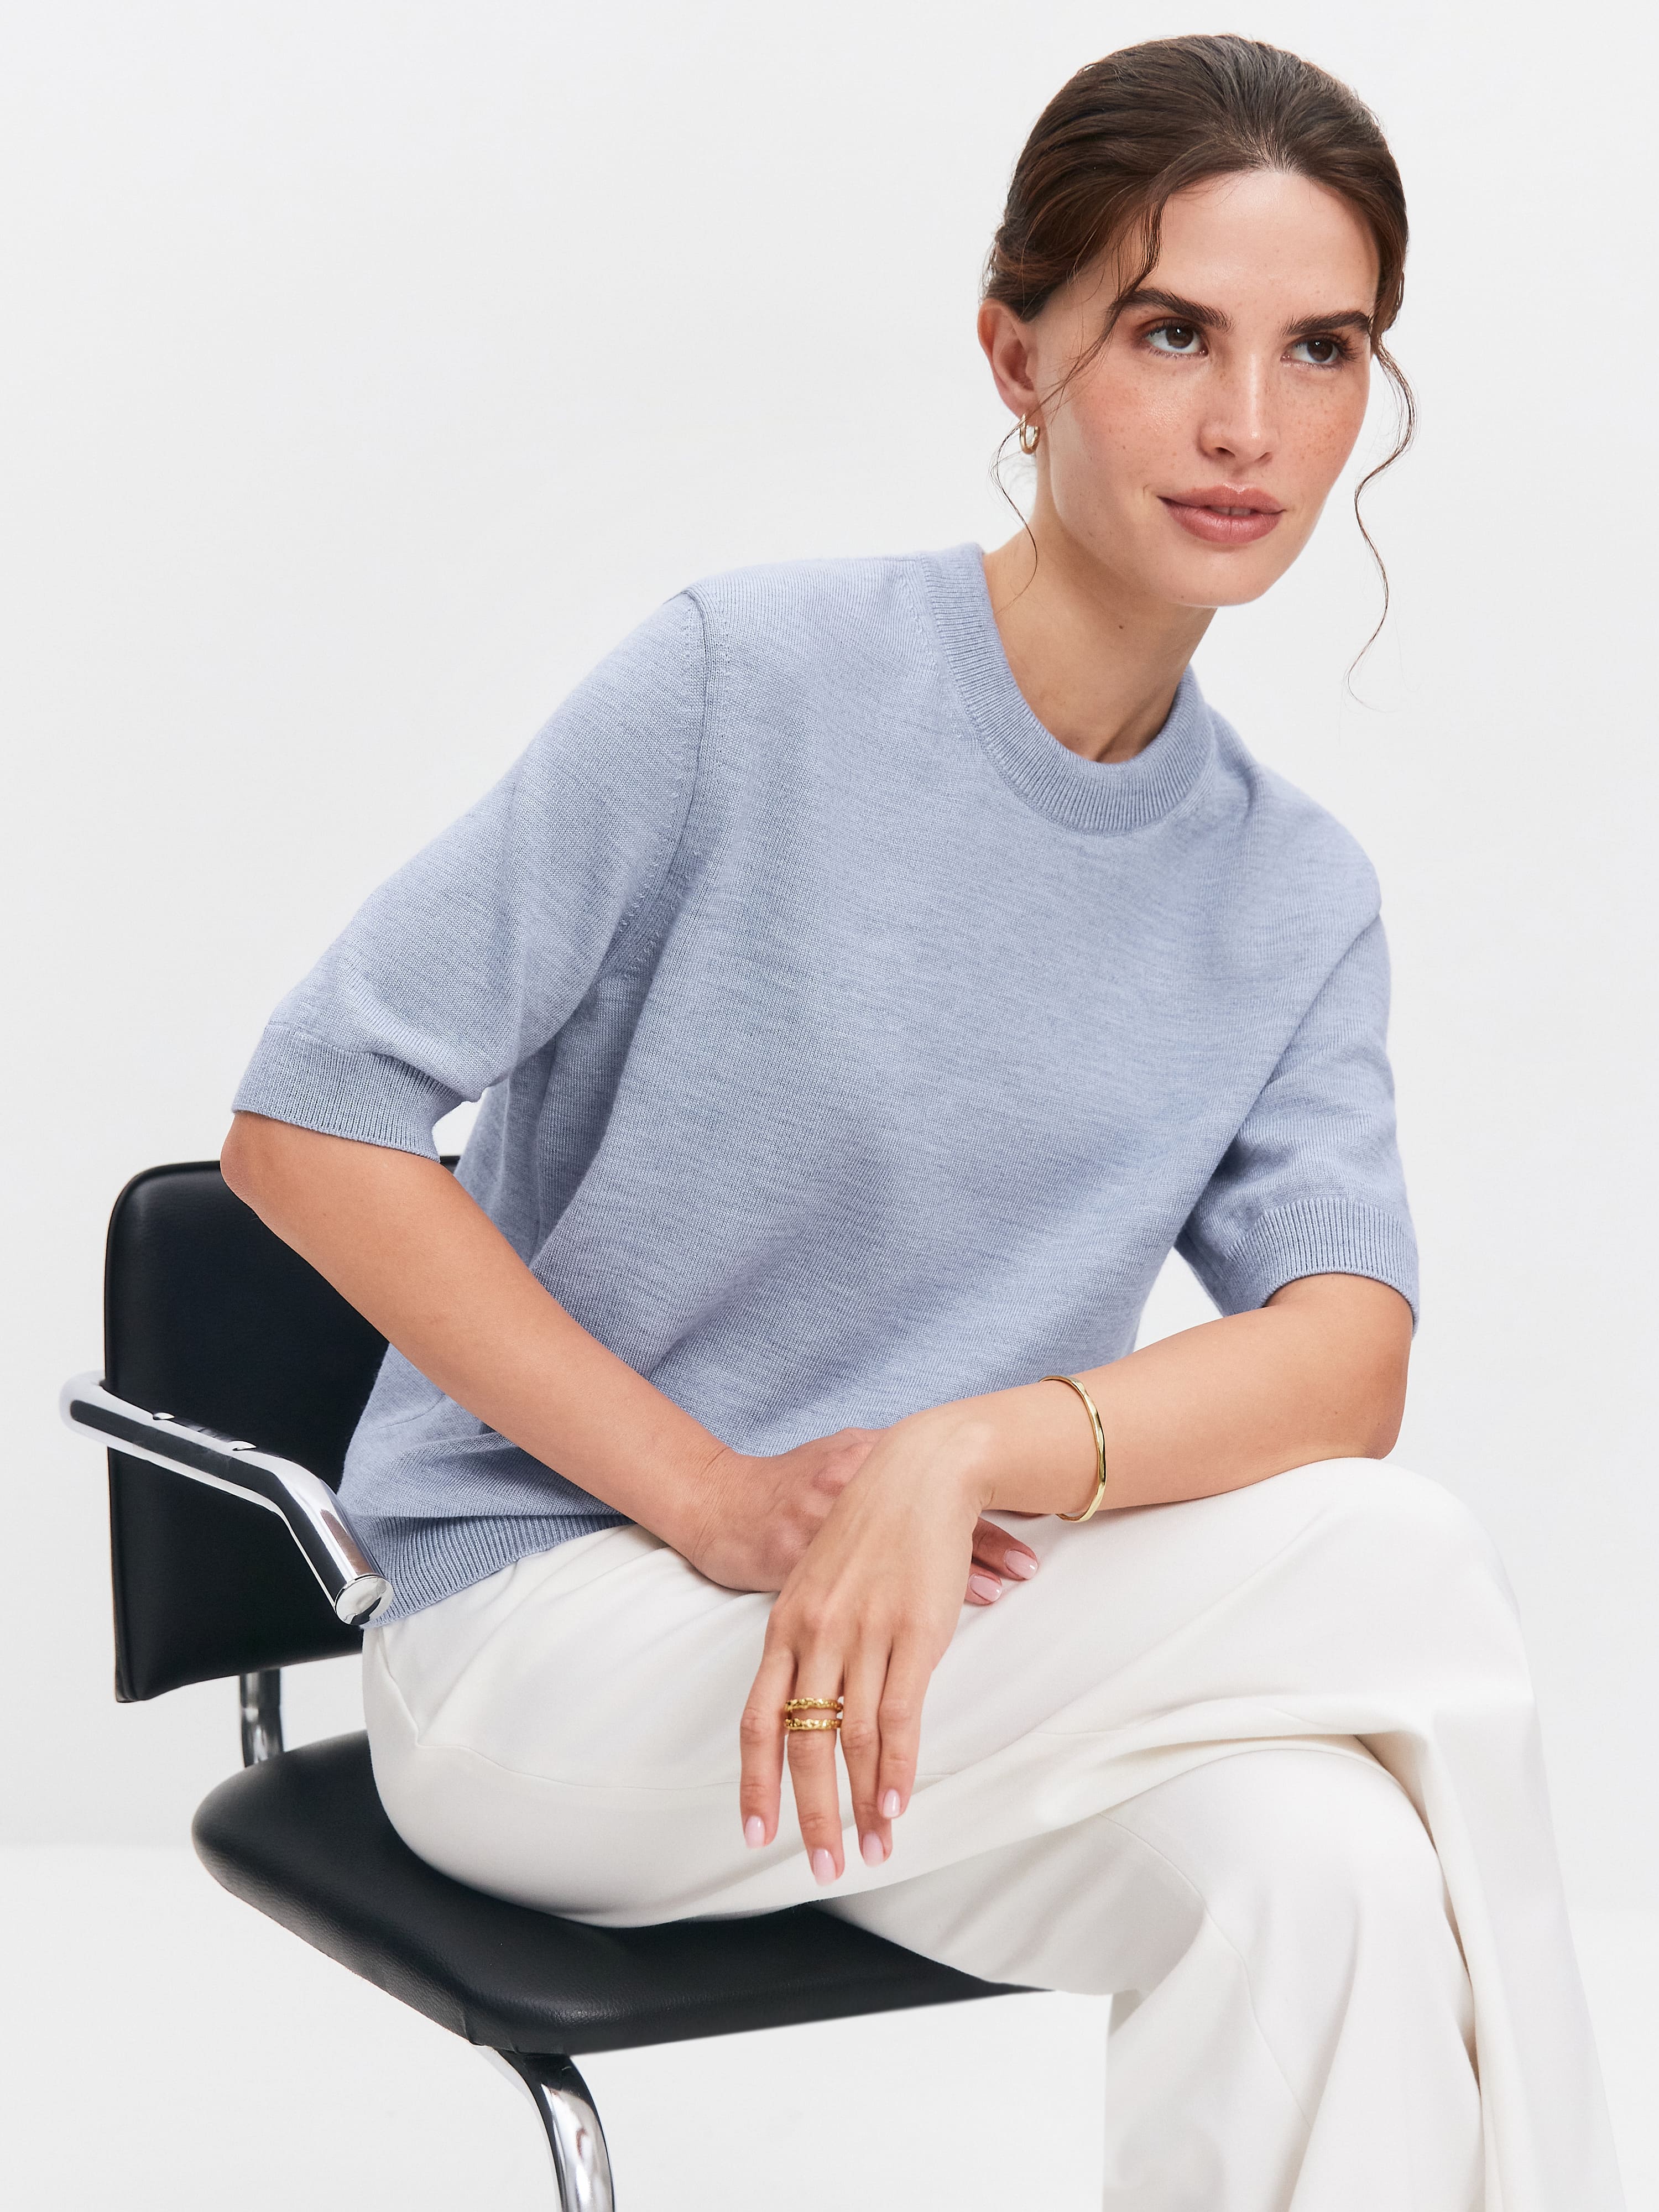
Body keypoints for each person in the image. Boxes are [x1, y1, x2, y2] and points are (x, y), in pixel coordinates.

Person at [221, 33, 1622, 2212]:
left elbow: (1345, 1356)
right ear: (1017, 353)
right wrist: (711, 1497)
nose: (1251, 427)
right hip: (559, 1662)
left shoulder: (1290, 891)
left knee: (1326, 1866)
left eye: (1323, 349)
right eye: (1173, 332)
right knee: (1410, 1571)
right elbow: (310, 1119)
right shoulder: (744, 682)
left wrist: (957, 1453)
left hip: (943, 1667)